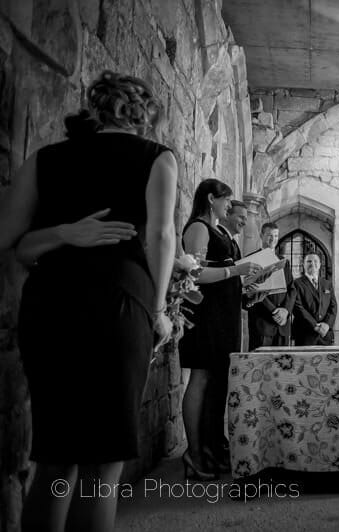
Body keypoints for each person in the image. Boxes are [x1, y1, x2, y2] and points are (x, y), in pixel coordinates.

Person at [0, 71, 176, 532]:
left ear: (94, 110)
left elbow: (9, 239)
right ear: (144, 116)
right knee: (103, 467)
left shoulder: (45, 159)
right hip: (119, 307)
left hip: (50, 305)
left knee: (55, 460)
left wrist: (62, 233)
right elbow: (160, 236)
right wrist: (159, 312)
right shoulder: (157, 158)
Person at [180, 180, 260, 480]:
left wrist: (244, 285)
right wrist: (234, 271)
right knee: (200, 379)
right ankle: (195, 452)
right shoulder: (199, 227)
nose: (230, 206)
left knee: (215, 385)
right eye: (226, 201)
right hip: (204, 317)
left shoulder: (215, 229)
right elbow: (194, 273)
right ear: (211, 198)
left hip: (221, 317)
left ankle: (211, 447)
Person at [247, 222, 296, 348]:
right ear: (261, 235)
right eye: (269, 235)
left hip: (283, 324)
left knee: (283, 365)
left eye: (276, 235)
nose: (273, 239)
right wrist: (274, 311)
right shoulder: (251, 260)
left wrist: (286, 311)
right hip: (262, 323)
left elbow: (292, 289)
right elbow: (256, 289)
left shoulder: (283, 261)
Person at [293, 253, 337, 346]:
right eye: (309, 261)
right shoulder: (296, 283)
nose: (312, 264)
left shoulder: (327, 284)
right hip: (305, 334)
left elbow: (333, 307)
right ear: (303, 265)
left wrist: (327, 325)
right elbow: (298, 307)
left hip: (325, 334)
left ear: (320, 264)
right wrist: (315, 326)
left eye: (315, 261)